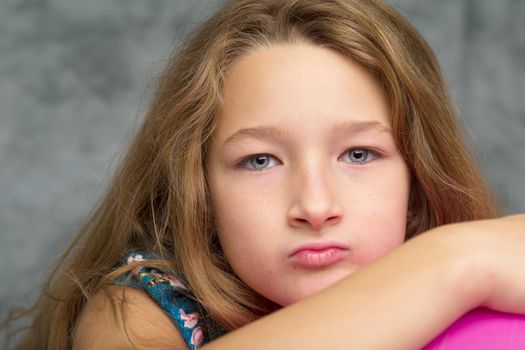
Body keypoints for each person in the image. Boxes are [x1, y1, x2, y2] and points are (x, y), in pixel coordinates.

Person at [4, 0, 525, 349]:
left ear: (417, 174)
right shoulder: (140, 302)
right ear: (199, 188)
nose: (316, 207)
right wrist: (456, 262)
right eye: (261, 161)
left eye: (359, 155)